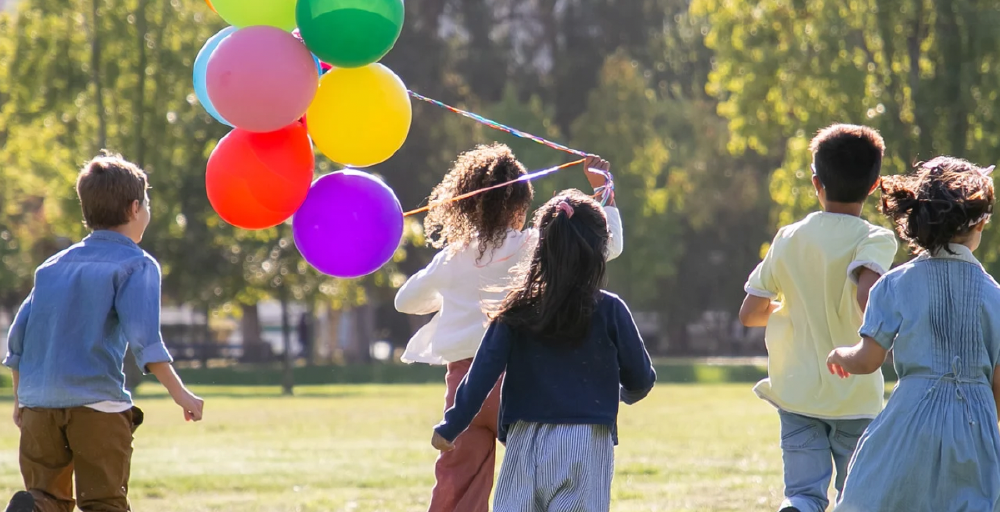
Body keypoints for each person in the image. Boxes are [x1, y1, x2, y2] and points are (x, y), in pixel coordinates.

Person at [395, 143, 623, 512]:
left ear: (466, 206)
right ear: (521, 206)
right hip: (519, 380)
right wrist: (604, 190)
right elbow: (606, 247)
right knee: (534, 474)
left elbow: (405, 301)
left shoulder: (452, 256)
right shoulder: (534, 244)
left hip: (462, 384)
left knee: (457, 483)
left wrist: (457, 292)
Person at [3, 152, 205, 512]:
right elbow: (146, 341)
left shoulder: (52, 266)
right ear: (133, 209)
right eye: (147, 203)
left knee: (47, 499)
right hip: (96, 406)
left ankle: (32, 507)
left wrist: (21, 399)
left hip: (39, 406)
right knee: (103, 501)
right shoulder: (135, 265)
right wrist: (183, 395)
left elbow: (18, 338)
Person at [431, 190, 655, 512]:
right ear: (599, 250)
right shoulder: (610, 309)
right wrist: (623, 393)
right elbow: (641, 379)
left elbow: (481, 374)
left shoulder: (516, 310)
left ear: (540, 247)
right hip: (585, 441)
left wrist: (451, 426)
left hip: (524, 439)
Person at [738, 124, 898, 512]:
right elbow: (867, 295)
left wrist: (794, 310)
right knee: (856, 496)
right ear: (874, 185)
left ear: (816, 182)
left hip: (796, 392)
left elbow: (750, 313)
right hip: (855, 396)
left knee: (803, 495)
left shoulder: (789, 237)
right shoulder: (875, 239)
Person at [829, 157, 1000, 512]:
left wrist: (840, 355)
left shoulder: (894, 284)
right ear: (981, 221)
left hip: (911, 419)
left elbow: (868, 359)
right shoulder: (994, 295)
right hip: (975, 425)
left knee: (879, 497)